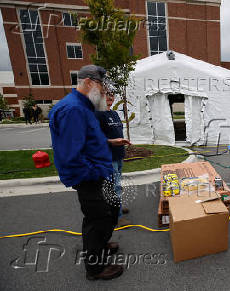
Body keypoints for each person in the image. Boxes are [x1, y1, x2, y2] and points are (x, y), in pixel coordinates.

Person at [49, 65, 130, 280]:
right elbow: (71, 155)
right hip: (90, 177)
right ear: (88, 83)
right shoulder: (73, 109)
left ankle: (101, 246)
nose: (105, 92)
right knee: (98, 219)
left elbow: (86, 140)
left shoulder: (84, 107)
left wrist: (109, 141)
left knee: (110, 212)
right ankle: (95, 268)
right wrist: (96, 173)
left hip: (100, 172)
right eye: (102, 87)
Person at [95, 85, 131, 227]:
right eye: (106, 94)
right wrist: (110, 142)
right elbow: (94, 139)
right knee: (114, 187)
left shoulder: (114, 114)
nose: (110, 97)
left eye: (112, 94)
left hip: (118, 155)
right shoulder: (97, 115)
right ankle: (118, 217)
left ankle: (118, 207)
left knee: (117, 185)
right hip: (108, 157)